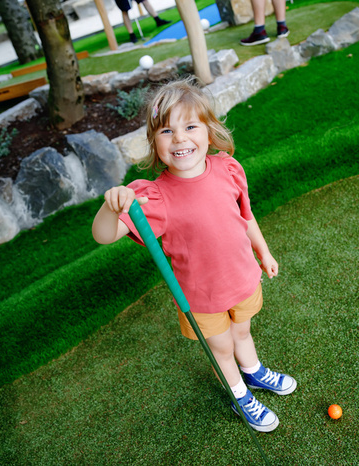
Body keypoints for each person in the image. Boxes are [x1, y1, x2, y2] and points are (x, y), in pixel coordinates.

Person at [92, 78, 297, 432]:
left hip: (243, 278)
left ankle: (254, 371)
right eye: (167, 131)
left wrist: (263, 250)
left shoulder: (228, 169)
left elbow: (245, 217)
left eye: (190, 126)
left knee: (243, 333)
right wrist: (111, 207)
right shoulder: (152, 199)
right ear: (155, 144)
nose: (180, 138)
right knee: (221, 349)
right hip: (202, 298)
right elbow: (104, 236)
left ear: (208, 130)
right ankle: (239, 396)